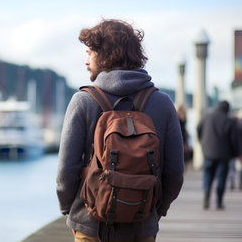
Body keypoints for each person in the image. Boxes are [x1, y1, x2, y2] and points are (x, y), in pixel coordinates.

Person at [56, 19, 184, 242]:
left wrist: (72, 211)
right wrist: (153, 212)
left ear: (106, 55)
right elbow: (174, 173)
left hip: (90, 226)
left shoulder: (83, 101)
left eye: (89, 53)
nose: (86, 61)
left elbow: (66, 171)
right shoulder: (162, 103)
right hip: (141, 226)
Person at [197, 100, 239, 210]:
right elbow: (234, 140)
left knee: (207, 175)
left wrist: (202, 143)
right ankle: (219, 202)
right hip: (224, 156)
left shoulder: (207, 116)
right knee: (221, 178)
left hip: (208, 153)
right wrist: (235, 153)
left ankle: (206, 193)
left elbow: (198, 129)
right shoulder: (230, 121)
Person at [177, 104, 192, 172]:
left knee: (185, 160)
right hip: (180, 143)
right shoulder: (178, 120)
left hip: (184, 142)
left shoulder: (183, 121)